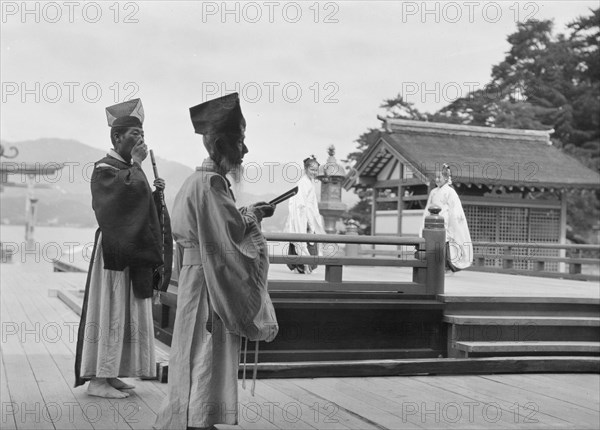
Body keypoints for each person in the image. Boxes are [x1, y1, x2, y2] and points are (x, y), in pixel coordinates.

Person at [154, 93, 276, 429]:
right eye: (240, 142)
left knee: (190, 350)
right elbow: (231, 236)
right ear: (221, 144)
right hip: (211, 280)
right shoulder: (212, 183)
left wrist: (247, 214)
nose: (245, 151)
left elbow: (217, 227)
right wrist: (253, 216)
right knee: (207, 348)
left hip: (196, 276)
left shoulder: (194, 182)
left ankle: (186, 416)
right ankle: (198, 420)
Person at [74, 98, 169, 398]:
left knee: (125, 312)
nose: (141, 141)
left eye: (142, 136)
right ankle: (98, 379)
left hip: (133, 253)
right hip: (114, 253)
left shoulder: (128, 168)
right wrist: (139, 170)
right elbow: (119, 205)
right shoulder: (105, 169)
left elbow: (141, 208)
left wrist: (155, 195)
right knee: (112, 311)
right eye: (134, 135)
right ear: (117, 137)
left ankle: (113, 373)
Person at [421, 163, 473, 272]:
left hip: (446, 222)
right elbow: (427, 208)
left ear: (446, 178)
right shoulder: (433, 192)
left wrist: (453, 223)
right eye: (436, 177)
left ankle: (445, 267)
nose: (437, 179)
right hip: (433, 221)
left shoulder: (450, 192)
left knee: (445, 245)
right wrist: (424, 220)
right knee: (433, 243)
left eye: (439, 177)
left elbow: (455, 209)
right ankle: (433, 266)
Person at [283, 155, 326, 274]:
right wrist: (305, 221)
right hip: (303, 216)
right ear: (305, 169)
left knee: (309, 242)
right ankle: (303, 266)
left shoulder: (309, 182)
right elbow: (299, 204)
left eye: (316, 170)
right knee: (304, 241)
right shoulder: (302, 183)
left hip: (309, 216)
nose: (314, 172)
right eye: (312, 169)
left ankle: (303, 266)